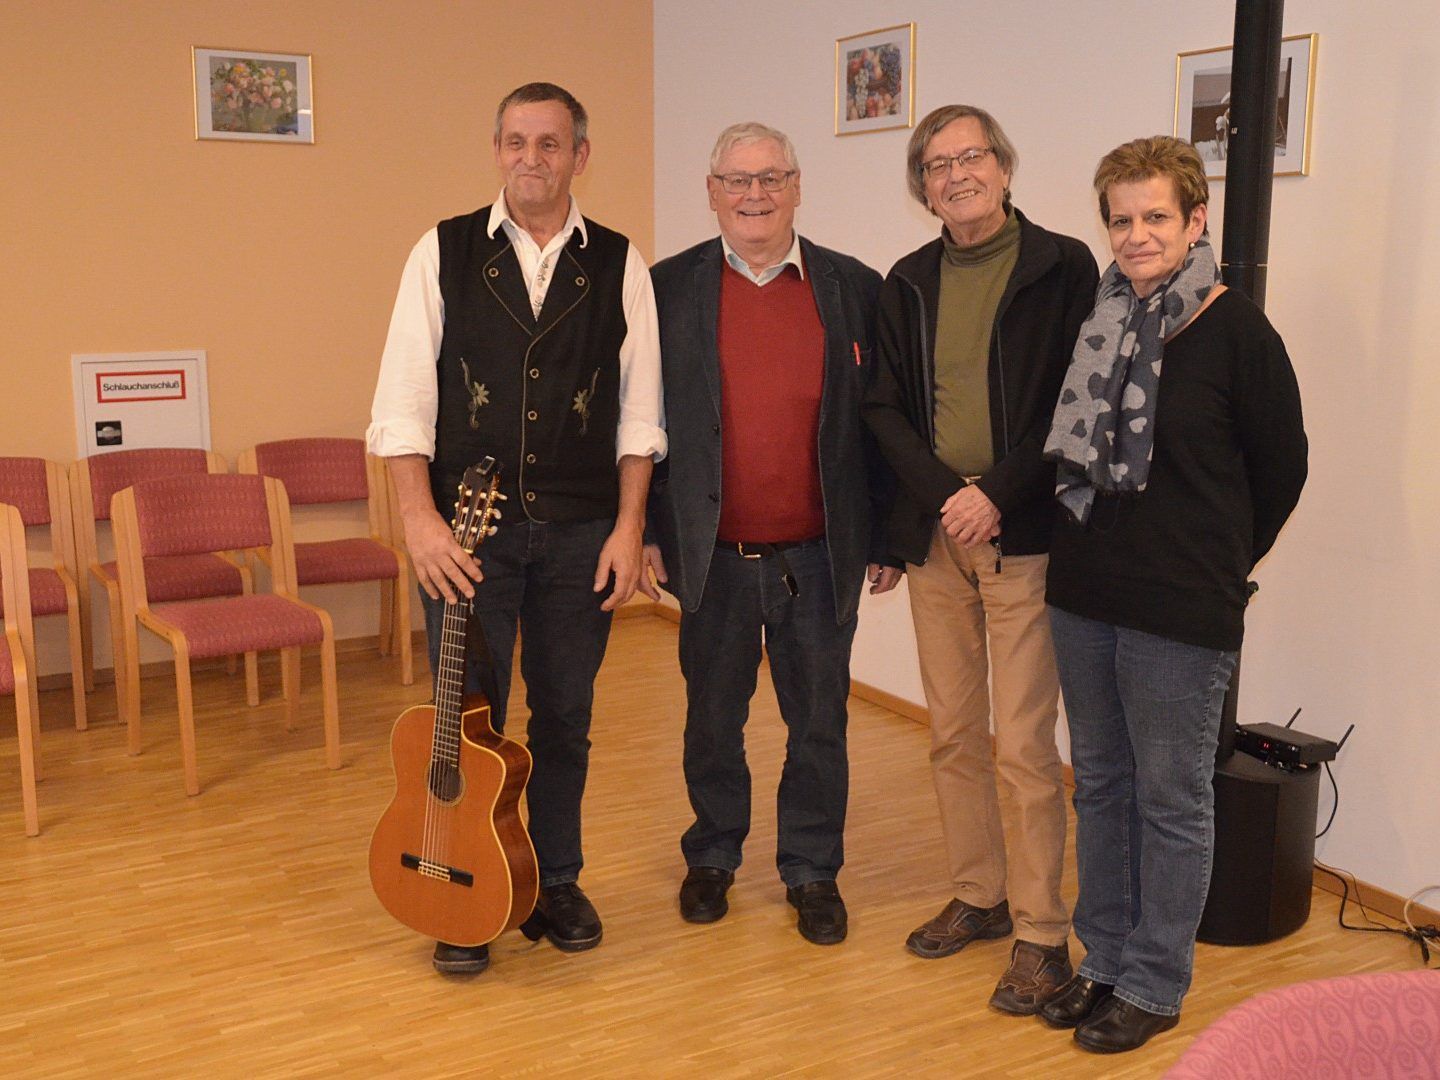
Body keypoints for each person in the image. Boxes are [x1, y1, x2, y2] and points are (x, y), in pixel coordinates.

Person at [367, 82, 665, 976]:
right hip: (465, 536)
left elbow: (640, 416)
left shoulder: (620, 263)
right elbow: (403, 403)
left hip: (582, 534)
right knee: (467, 720)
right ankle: (460, 890)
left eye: (550, 143)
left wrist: (628, 529)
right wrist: (418, 521)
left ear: (580, 155)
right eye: (515, 141)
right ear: (496, 149)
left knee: (566, 718)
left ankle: (556, 878)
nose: (531, 158)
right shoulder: (443, 250)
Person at [1040, 136, 1307, 1053]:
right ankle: (1102, 961)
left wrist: (1216, 561)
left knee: (1170, 799)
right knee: (1101, 786)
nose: (1137, 234)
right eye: (1122, 218)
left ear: (1197, 221)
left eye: (1157, 216)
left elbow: (1282, 472)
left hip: (1182, 608)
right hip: (1083, 592)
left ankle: (1155, 981)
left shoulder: (1239, 332)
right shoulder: (1100, 321)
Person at [863, 105, 1098, 1012]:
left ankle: (1043, 934)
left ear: (1003, 166)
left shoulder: (1061, 265)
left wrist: (995, 490)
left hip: (1021, 534)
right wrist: (934, 502)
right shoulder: (908, 279)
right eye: (935, 164)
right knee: (954, 733)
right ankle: (979, 895)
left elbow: (1074, 400)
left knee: (1027, 746)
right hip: (937, 539)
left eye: (970, 157)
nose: (955, 174)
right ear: (922, 186)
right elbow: (883, 408)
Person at [643, 122, 898, 945]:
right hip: (709, 555)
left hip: (820, 556)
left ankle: (813, 870)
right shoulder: (662, 290)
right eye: (737, 180)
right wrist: (647, 529)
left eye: (771, 178)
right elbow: (638, 423)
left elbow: (886, 422)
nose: (754, 195)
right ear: (711, 190)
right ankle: (713, 855)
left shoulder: (853, 287)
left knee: (819, 721)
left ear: (797, 186)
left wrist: (889, 535)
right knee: (711, 717)